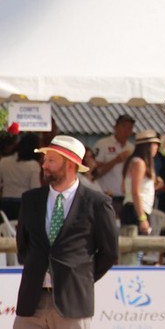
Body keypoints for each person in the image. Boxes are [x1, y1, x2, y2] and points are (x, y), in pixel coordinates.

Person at [14, 135, 118, 328]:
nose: (44, 165)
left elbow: (109, 253)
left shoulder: (97, 203)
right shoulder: (30, 200)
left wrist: (78, 277)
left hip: (73, 304)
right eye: (45, 160)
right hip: (31, 303)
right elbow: (23, 246)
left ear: (70, 165)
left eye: (51, 160)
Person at [120, 130, 161, 265]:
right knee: (135, 252)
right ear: (147, 146)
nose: (157, 148)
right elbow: (135, 192)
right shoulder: (139, 163)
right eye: (154, 144)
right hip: (136, 210)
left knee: (136, 252)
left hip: (134, 207)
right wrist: (142, 217)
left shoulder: (134, 161)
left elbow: (124, 189)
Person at [93, 114, 135, 214]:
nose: (126, 131)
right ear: (115, 127)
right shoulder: (103, 144)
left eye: (129, 128)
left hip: (126, 197)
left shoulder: (132, 148)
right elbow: (95, 172)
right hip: (106, 196)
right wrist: (116, 160)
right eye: (123, 126)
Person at [0, 133, 42, 220]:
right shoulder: (33, 165)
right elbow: (35, 189)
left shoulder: (4, 161)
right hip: (24, 203)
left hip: (5, 203)